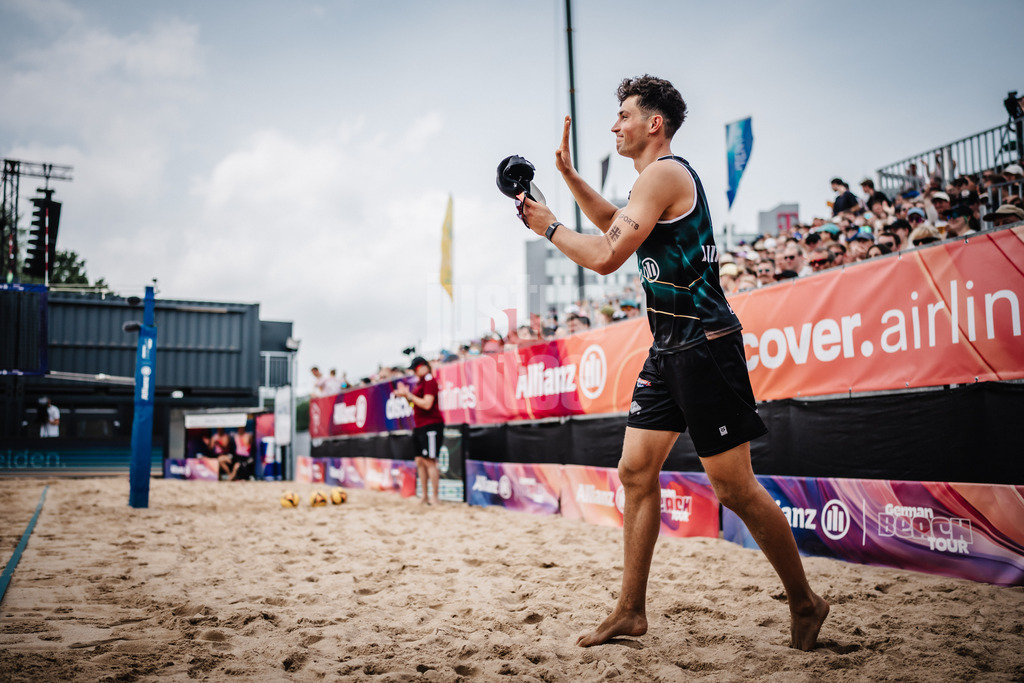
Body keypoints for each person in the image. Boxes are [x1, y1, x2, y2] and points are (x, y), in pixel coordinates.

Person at [519, 74, 828, 651]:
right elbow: (617, 221)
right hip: (669, 350)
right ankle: (630, 611)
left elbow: (609, 254)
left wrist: (551, 227)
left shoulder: (664, 172)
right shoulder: (652, 184)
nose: (615, 125)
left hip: (705, 344)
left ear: (653, 123)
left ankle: (807, 603)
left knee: (734, 489)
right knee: (635, 471)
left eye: (624, 115)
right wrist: (568, 179)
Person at [394, 356, 444, 505]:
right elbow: (415, 405)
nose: (415, 373)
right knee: (419, 461)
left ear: (423, 366)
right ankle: (424, 496)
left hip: (431, 425)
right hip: (420, 425)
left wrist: (409, 395)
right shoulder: (420, 383)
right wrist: (405, 397)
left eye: (415, 369)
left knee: (430, 461)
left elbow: (427, 404)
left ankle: (435, 498)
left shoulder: (429, 381)